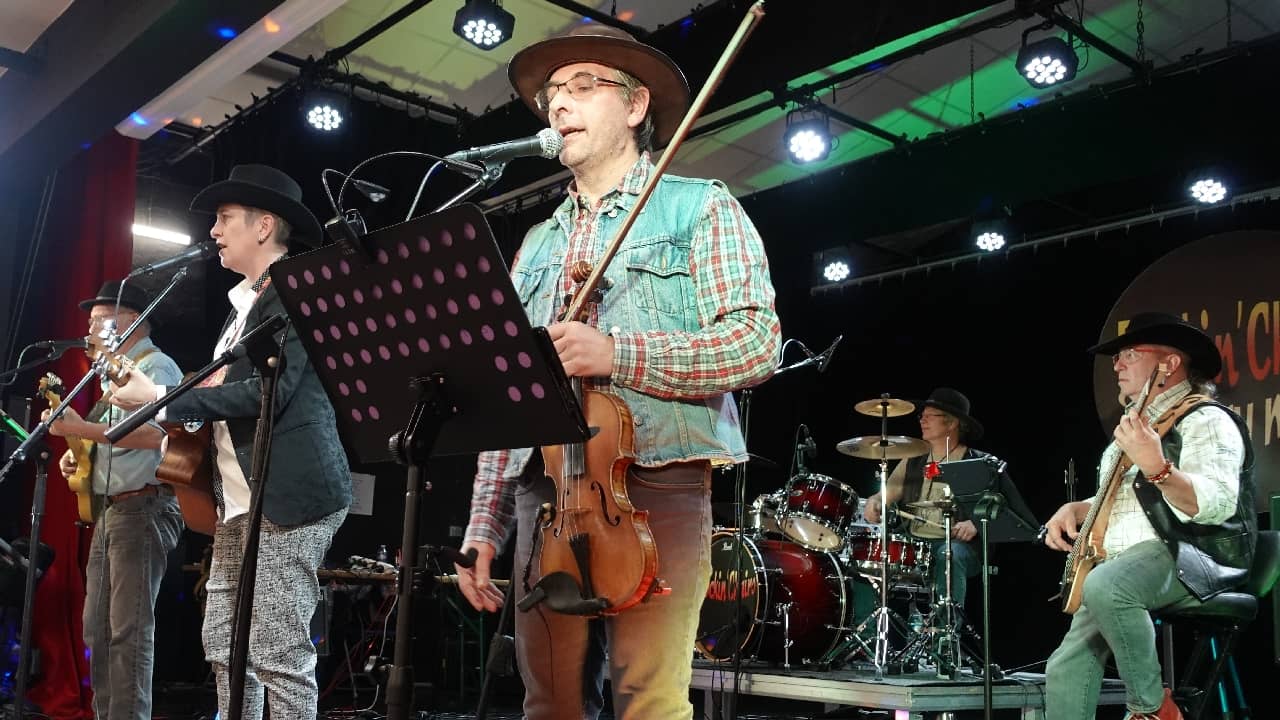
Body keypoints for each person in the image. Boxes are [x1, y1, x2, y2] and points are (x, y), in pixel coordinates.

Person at [452, 23, 781, 720]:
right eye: (550, 96)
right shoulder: (537, 244)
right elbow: (513, 393)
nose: (557, 106)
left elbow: (757, 344)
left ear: (634, 107)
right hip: (546, 497)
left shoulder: (701, 206)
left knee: (649, 704)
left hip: (659, 482)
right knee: (548, 705)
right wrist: (485, 526)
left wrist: (619, 353)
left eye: (579, 86)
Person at [109, 165, 352, 720]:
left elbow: (270, 390)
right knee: (224, 645)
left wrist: (163, 398)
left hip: (290, 495)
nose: (214, 231)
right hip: (240, 502)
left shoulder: (297, 292)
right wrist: (166, 407)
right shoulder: (244, 305)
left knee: (276, 652)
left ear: (264, 226)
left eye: (224, 219)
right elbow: (227, 396)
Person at [1043, 312, 1254, 720]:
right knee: (1064, 667)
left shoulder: (1208, 419)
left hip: (1193, 554)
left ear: (1169, 364)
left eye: (1128, 355)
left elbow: (1217, 502)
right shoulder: (1138, 428)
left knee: (1105, 584)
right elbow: (1131, 501)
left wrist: (1157, 466)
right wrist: (1079, 508)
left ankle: (1153, 710)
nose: (1117, 365)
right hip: (1127, 566)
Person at [44, 281, 184, 720]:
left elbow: (157, 435)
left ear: (130, 321)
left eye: (98, 321)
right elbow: (108, 442)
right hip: (114, 510)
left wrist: (80, 431)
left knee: (127, 632)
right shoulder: (112, 377)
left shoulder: (156, 368)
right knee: (98, 631)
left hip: (143, 508)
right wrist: (76, 454)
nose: (89, 331)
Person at [863, 388, 992, 608]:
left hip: (956, 545)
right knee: (869, 555)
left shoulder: (977, 462)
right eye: (921, 415)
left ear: (952, 423)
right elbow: (886, 494)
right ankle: (875, 634)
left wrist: (975, 523)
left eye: (929, 415)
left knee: (949, 554)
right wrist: (874, 502)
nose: (922, 419)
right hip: (915, 543)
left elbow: (996, 508)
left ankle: (945, 634)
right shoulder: (913, 458)